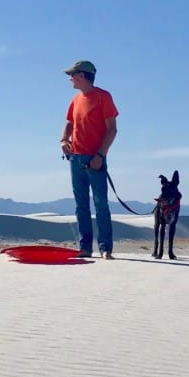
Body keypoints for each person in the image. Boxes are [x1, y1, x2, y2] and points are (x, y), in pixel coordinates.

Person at [60, 60, 118, 258]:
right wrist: (63, 140)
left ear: (83, 75)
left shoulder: (103, 97)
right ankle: (85, 247)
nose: (70, 78)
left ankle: (105, 248)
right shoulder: (75, 100)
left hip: (95, 159)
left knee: (101, 203)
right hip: (75, 158)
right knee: (81, 205)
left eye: (72, 75)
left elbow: (112, 129)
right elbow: (69, 123)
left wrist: (100, 155)